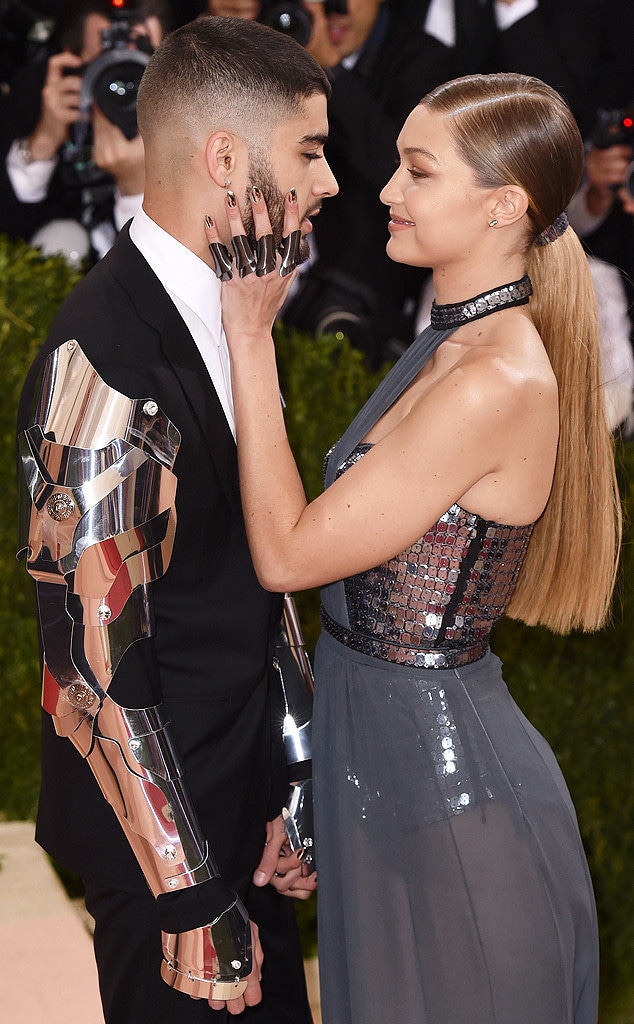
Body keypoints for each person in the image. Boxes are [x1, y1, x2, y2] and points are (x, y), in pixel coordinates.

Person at [205, 71, 621, 1023]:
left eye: (416, 171)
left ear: (503, 204)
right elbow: (353, 617)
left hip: (452, 812)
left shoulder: (493, 380)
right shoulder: (450, 344)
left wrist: (250, 337)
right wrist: (313, 781)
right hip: (393, 782)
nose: (383, 191)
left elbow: (289, 557)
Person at [16, 15, 336, 1024]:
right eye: (312, 152)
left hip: (238, 816)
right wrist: (191, 896)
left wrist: (293, 772)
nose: (330, 183)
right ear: (226, 158)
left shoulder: (241, 310)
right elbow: (90, 668)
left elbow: (253, 564)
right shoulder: (106, 358)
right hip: (162, 854)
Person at [280, 0, 454, 366]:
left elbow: (399, 168)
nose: (333, 11)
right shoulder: (279, 44)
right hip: (290, 284)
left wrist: (329, 71)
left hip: (377, 301)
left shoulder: (427, 61)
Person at [0, 0, 168, 261]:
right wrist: (43, 143)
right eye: (108, 62)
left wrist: (136, 186)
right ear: (72, 63)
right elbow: (8, 238)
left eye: (141, 63)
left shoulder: (191, 123)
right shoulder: (39, 96)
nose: (127, 83)